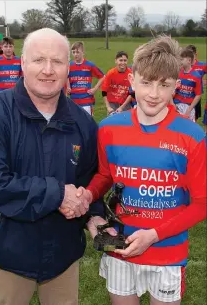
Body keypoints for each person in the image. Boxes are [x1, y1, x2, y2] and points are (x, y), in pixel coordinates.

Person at [0, 28, 106, 305]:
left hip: (64, 256)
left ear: (68, 67)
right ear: (22, 63)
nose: (48, 70)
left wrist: (94, 215)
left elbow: (89, 179)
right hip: (10, 254)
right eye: (38, 60)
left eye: (57, 61)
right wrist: (58, 194)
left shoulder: (83, 123)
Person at [76, 36, 206, 305]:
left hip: (167, 251)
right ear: (132, 80)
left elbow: (202, 203)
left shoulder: (192, 135)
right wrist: (88, 196)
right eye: (146, 82)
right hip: (120, 247)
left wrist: (154, 235)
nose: (154, 93)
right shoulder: (110, 129)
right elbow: (104, 176)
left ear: (176, 87)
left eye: (164, 85)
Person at [67, 41, 105, 116]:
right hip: (73, 100)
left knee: (87, 124)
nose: (75, 54)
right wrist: (68, 86)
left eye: (77, 52)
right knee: (75, 124)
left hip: (86, 100)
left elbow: (102, 77)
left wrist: (95, 89)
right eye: (73, 52)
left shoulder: (90, 65)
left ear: (83, 52)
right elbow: (65, 76)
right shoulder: (69, 66)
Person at [173, 48, 202, 121]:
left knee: (188, 130)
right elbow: (171, 90)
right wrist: (173, 104)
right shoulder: (177, 73)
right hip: (176, 105)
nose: (180, 62)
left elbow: (198, 94)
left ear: (189, 60)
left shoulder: (196, 76)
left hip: (188, 107)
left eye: (182, 59)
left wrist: (189, 109)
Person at [101, 51, 132, 115]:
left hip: (126, 104)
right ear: (116, 61)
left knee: (125, 124)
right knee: (111, 123)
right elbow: (104, 91)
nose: (123, 63)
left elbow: (132, 93)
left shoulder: (131, 74)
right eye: (120, 60)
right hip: (112, 105)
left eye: (125, 60)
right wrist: (108, 107)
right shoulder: (110, 73)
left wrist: (122, 107)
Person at [186, 44, 207, 120]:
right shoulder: (183, 66)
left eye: (191, 55)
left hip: (196, 96)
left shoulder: (202, 65)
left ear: (196, 54)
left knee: (195, 116)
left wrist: (204, 82)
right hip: (184, 96)